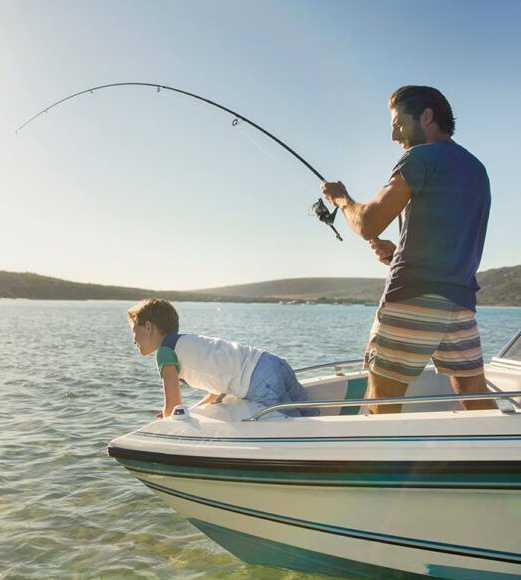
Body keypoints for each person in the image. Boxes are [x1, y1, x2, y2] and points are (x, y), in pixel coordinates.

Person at [321, 85, 494, 413]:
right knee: (475, 393)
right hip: (459, 303)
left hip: (411, 297)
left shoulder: (420, 157)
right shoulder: (476, 169)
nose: (393, 135)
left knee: (382, 398)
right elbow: (449, 239)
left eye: (398, 123)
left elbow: (368, 223)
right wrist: (396, 254)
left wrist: (341, 199)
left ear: (426, 116)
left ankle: (378, 461)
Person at [127, 298, 318, 418]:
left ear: (149, 327)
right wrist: (191, 411)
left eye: (134, 329)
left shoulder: (165, 352)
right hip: (271, 362)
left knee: (293, 423)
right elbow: (216, 390)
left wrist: (169, 419)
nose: (133, 337)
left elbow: (173, 402)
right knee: (312, 413)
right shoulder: (189, 343)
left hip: (257, 381)